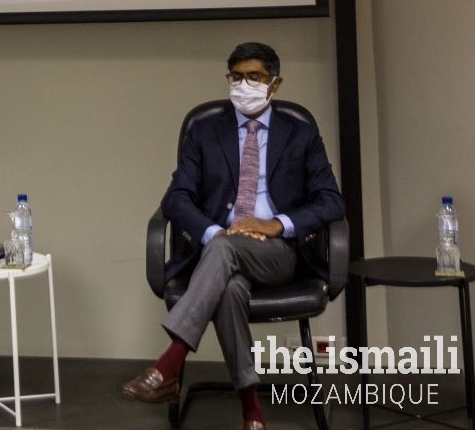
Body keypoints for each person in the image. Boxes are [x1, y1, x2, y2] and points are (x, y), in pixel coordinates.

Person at [122, 42, 345, 430]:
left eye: (254, 77)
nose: (244, 84)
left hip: (279, 253)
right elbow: (176, 199)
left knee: (226, 250)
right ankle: (252, 413)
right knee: (228, 285)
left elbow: (331, 202)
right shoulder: (206, 131)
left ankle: (170, 364)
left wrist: (275, 224)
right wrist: (213, 232)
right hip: (219, 249)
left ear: (275, 83)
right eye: (236, 76)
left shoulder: (301, 134)